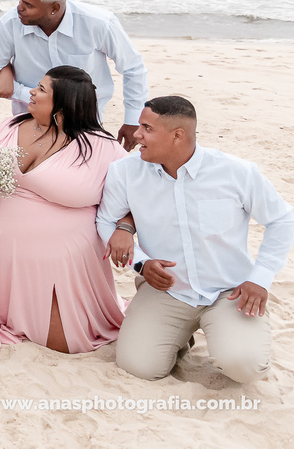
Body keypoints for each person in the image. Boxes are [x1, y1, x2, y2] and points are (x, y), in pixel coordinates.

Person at [97, 96, 293, 383]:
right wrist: (140, 262)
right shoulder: (124, 172)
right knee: (138, 367)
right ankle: (177, 336)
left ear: (178, 135)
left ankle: (234, 333)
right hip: (167, 290)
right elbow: (105, 220)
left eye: (147, 128)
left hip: (230, 292)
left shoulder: (236, 172)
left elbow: (282, 219)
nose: (137, 134)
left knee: (244, 367)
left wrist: (260, 278)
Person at [0, 66, 127, 353]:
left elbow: (135, 195)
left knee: (63, 343)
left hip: (58, 257)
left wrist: (125, 228)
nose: (32, 92)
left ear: (63, 104)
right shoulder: (10, 126)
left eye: (42, 89)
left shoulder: (103, 147)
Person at [0, 0, 148, 150]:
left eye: (28, 5)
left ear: (54, 8)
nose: (19, 8)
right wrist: (24, 92)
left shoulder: (99, 23)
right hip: (29, 120)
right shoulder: (10, 23)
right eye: (20, 0)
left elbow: (133, 67)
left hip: (85, 121)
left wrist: (133, 119)